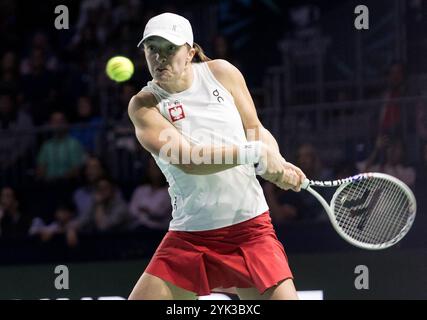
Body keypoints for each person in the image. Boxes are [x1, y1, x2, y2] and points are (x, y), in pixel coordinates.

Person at [127, 13, 306, 300]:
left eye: (170, 48)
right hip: (191, 235)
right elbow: (188, 160)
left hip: (250, 228)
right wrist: (256, 153)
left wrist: (277, 160)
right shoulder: (144, 105)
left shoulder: (222, 73)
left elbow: (255, 129)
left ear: (190, 52)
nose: (160, 57)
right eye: (152, 48)